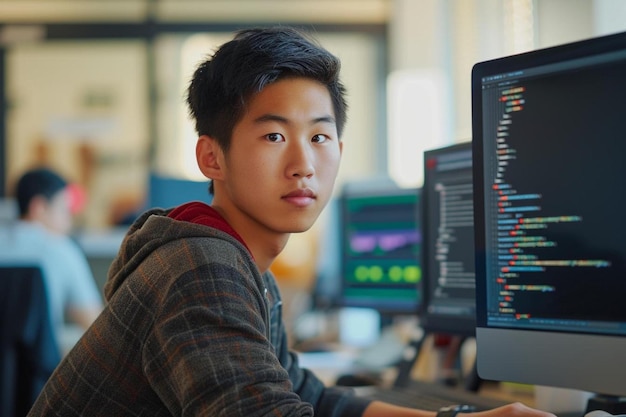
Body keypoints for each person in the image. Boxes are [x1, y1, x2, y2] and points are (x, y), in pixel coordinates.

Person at [28, 27, 555, 417]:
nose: (304, 162)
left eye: (320, 137)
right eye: (274, 136)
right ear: (211, 158)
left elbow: (311, 398)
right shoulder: (199, 266)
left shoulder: (241, 265)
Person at [0, 167, 103, 352]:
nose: (69, 221)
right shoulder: (61, 249)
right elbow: (98, 328)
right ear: (38, 207)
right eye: (64, 210)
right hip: (38, 375)